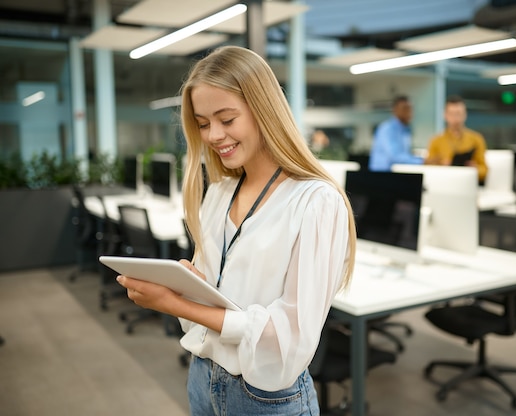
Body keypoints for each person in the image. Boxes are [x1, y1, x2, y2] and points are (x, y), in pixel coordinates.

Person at [116, 45, 356, 416]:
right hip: (203, 376)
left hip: (267, 397)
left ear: (264, 111)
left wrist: (176, 304)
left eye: (227, 119)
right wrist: (188, 283)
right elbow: (220, 296)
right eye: (202, 123)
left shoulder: (315, 201)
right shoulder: (220, 192)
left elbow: (289, 334)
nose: (213, 135)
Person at [426, 95, 488, 183]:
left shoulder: (476, 139)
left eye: (458, 114)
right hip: (444, 183)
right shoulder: (436, 141)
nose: (455, 118)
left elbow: (484, 170)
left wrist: (475, 169)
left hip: (467, 182)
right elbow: (428, 168)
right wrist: (442, 166)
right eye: (452, 114)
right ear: (445, 115)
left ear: (465, 114)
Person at [368, 95, 423, 171]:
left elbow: (405, 155)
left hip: (398, 173)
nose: (409, 112)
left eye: (410, 109)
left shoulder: (406, 130)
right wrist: (422, 161)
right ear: (395, 110)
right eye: (405, 109)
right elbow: (395, 156)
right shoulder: (386, 129)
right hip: (382, 175)